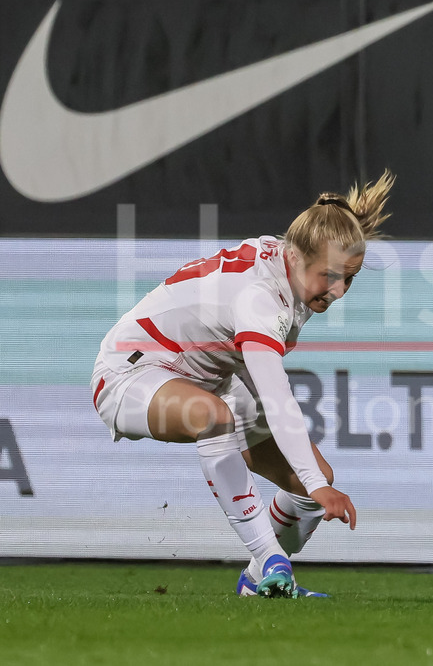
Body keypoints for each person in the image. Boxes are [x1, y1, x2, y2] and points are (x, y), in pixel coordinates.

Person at [91, 172, 394, 598]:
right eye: (330, 276)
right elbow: (275, 394)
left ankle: (258, 582)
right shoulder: (261, 297)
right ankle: (273, 560)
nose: (339, 291)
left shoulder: (292, 265)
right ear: (297, 257)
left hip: (211, 377)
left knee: (311, 484)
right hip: (128, 373)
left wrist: (314, 481)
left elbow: (255, 381)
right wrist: (314, 479)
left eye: (350, 278)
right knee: (214, 417)